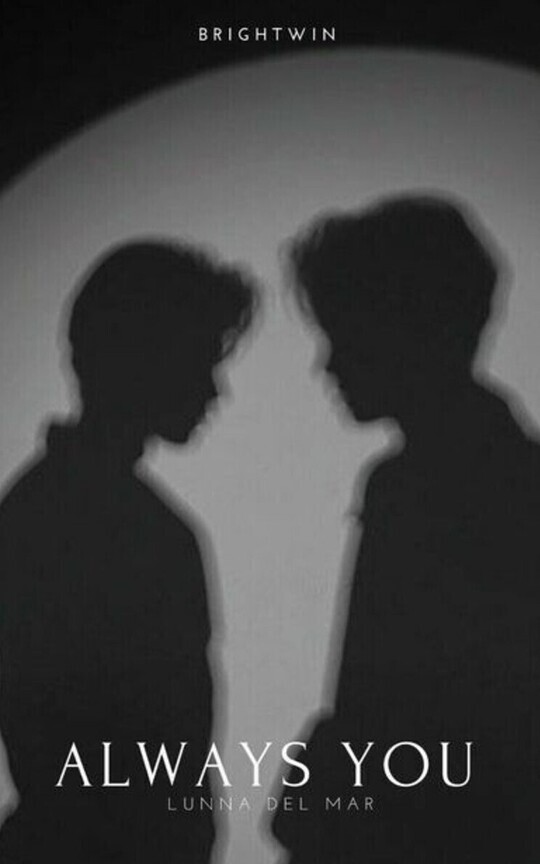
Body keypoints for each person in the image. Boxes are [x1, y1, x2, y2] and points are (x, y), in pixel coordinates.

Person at [271, 194, 540, 862]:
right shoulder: (481, 474)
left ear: (407, 328)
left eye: (344, 332)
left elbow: (397, 718)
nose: (327, 364)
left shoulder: (424, 489)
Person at [0, 240, 258, 863]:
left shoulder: (34, 511)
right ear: (146, 359)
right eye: (200, 359)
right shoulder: (144, 533)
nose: (216, 390)